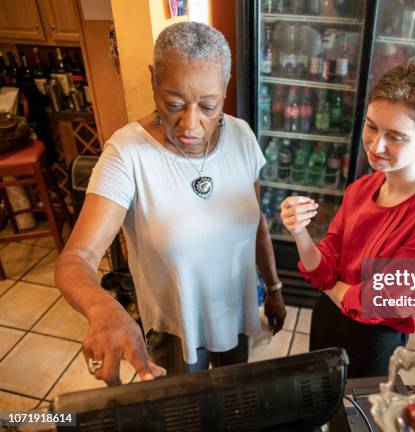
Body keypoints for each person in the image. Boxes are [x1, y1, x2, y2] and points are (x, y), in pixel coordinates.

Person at [55, 22, 286, 383]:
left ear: (225, 88)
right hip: (175, 331)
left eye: (209, 106)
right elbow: (75, 259)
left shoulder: (241, 136)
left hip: (237, 315)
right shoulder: (127, 154)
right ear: (152, 80)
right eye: (174, 103)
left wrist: (273, 288)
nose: (190, 125)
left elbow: (256, 221)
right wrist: (103, 307)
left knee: (233, 400)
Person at [281, 60, 415, 378]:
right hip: (328, 317)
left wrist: (336, 289)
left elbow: (384, 302)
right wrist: (299, 233)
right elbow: (324, 267)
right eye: (372, 126)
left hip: (372, 340)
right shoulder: (363, 188)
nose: (376, 145)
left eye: (396, 136)